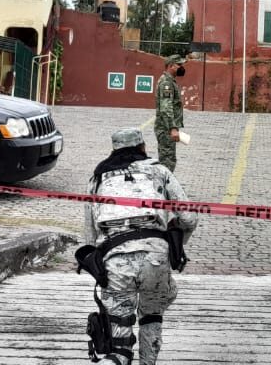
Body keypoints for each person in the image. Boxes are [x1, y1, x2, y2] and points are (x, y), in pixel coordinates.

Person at [81, 128, 199, 365]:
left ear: (113, 150)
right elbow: (189, 217)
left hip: (115, 263)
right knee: (151, 317)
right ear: (143, 147)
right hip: (155, 257)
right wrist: (176, 246)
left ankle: (117, 357)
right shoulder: (159, 171)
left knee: (120, 349)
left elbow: (89, 236)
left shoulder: (97, 179)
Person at [155, 55, 186, 171]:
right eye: (179, 65)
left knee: (168, 160)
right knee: (167, 163)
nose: (182, 67)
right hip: (165, 128)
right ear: (171, 66)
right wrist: (173, 128)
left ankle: (164, 186)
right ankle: (163, 187)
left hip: (166, 127)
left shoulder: (170, 81)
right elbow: (166, 106)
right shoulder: (166, 83)